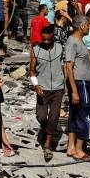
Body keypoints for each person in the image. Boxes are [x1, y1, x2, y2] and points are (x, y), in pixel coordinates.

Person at [29, 26, 65, 162]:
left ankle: (48, 144)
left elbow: (64, 66)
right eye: (43, 39)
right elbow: (32, 70)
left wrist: (65, 83)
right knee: (41, 116)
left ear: (52, 37)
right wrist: (36, 84)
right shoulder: (35, 50)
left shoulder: (60, 48)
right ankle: (44, 130)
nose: (45, 41)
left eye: (47, 39)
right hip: (42, 88)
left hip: (58, 88)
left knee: (54, 117)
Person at [63, 15, 90, 161]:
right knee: (85, 115)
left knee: (75, 115)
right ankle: (79, 150)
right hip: (80, 84)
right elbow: (69, 67)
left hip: (81, 83)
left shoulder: (78, 41)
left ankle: (71, 147)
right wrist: (75, 90)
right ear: (82, 26)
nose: (89, 27)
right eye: (87, 25)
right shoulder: (72, 42)